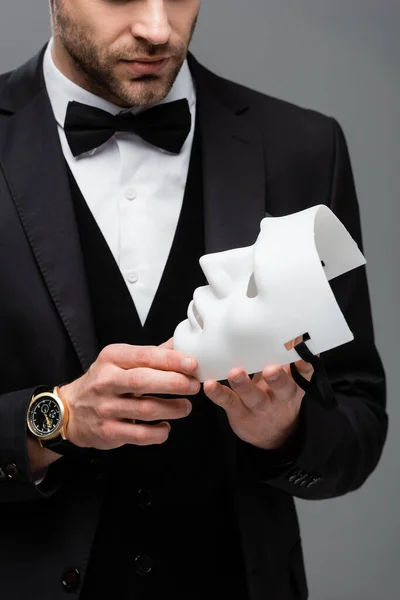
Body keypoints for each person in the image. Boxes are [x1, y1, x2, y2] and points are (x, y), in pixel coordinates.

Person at [0, 1, 387, 599]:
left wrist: (286, 430)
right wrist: (58, 420)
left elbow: (359, 425)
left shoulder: (302, 146)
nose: (157, 28)